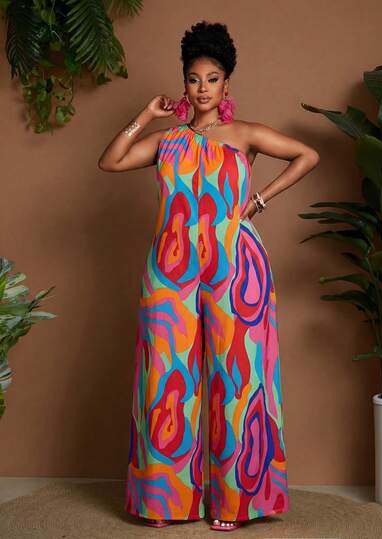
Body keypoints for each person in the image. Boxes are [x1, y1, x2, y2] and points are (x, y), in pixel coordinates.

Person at [98, 20, 320, 533]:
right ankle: (164, 501)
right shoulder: (167, 140)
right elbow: (110, 162)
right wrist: (145, 115)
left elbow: (307, 155)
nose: (202, 88)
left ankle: (236, 503)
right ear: (185, 84)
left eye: (212, 79)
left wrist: (258, 201)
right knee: (165, 379)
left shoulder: (246, 135)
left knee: (238, 381)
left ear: (226, 84)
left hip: (234, 266)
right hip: (170, 269)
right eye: (194, 79)